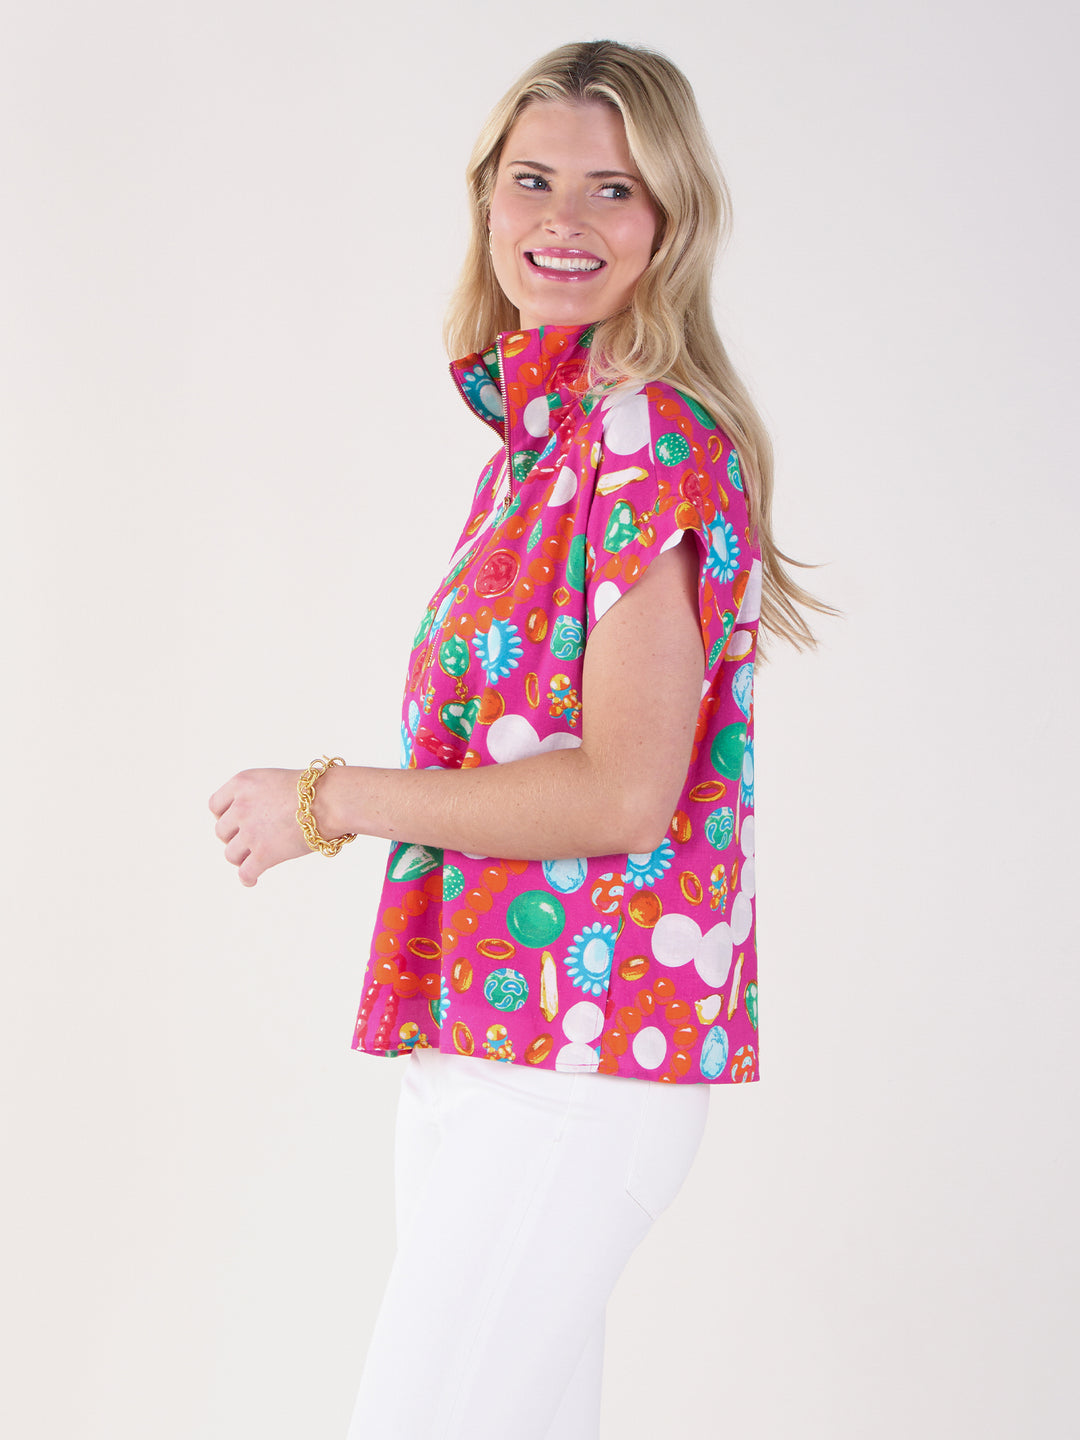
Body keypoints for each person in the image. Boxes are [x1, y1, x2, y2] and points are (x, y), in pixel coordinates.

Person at [210, 38, 826, 1439]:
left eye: (614, 189)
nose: (565, 220)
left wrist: (329, 799)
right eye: (534, 179)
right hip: (488, 1040)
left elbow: (621, 795)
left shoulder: (649, 440)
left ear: (671, 219)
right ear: (487, 197)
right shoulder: (538, 453)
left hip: (576, 1066)